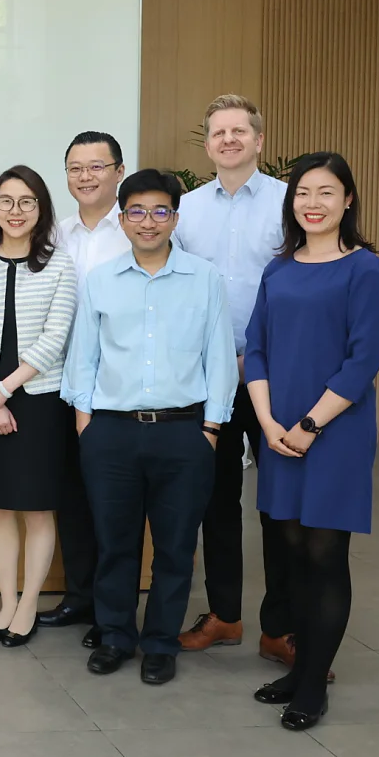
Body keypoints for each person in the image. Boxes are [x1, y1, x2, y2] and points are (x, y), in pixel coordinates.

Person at [61, 169, 235, 687]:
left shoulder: (204, 279)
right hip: (110, 432)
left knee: (176, 546)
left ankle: (160, 641)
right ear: (122, 219)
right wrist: (86, 424)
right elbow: (83, 359)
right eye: (136, 211)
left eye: (160, 211)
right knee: (115, 543)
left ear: (175, 219)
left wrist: (210, 429)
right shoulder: (102, 280)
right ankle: (115, 636)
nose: (148, 221)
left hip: (184, 433)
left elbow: (221, 359)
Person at [245, 152, 379, 730]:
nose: (313, 203)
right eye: (303, 192)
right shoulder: (278, 268)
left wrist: (308, 426)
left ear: (348, 200)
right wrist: (269, 423)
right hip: (279, 432)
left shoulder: (364, 269)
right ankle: (299, 664)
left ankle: (313, 685)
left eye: (326, 192)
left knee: (326, 556)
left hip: (334, 433)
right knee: (291, 554)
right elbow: (255, 347)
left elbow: (362, 362)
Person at [173, 95, 293, 661]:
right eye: (218, 131)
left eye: (239, 130)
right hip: (209, 378)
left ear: (259, 141)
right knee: (215, 500)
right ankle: (224, 615)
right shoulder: (186, 209)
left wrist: (260, 357)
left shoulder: (290, 203)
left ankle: (281, 626)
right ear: (207, 144)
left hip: (275, 374)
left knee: (278, 502)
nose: (228, 139)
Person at [0, 166, 77, 648]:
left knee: (36, 508)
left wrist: (5, 391)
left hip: (38, 399)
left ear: (41, 209)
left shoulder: (60, 264)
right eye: (6, 201)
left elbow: (56, 338)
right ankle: (6, 602)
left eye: (26, 202)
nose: (15, 211)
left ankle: (29, 603)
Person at [39, 132, 133, 647]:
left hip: (119, 387)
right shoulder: (54, 233)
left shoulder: (138, 230)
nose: (85, 176)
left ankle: (110, 606)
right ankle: (78, 593)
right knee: (72, 492)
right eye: (75, 167)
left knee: (112, 499)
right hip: (60, 381)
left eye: (97, 166)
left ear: (118, 171)